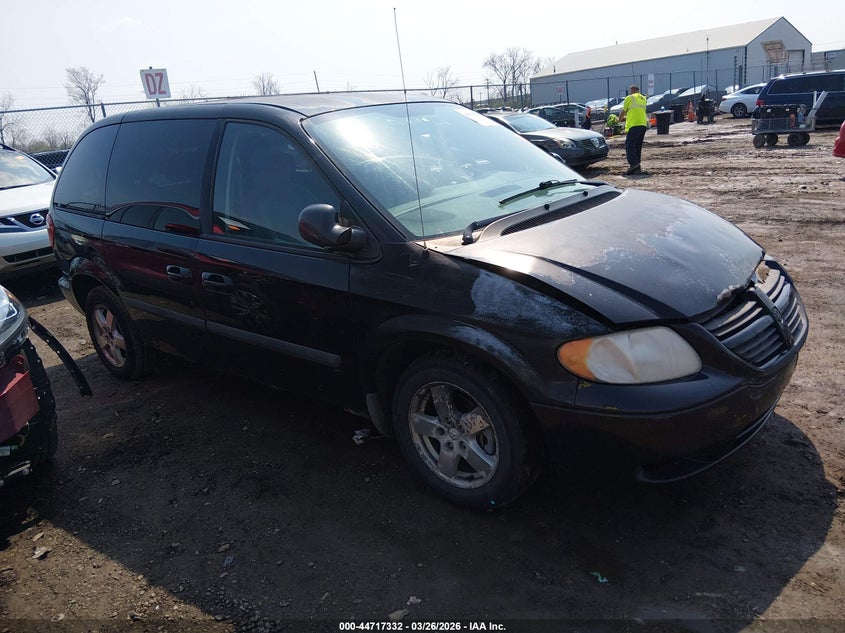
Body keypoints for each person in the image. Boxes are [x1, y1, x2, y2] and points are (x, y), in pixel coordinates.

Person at [620, 84, 648, 175]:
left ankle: (633, 164)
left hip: (634, 125)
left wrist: (618, 120)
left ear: (632, 90)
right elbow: (636, 111)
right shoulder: (643, 99)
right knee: (637, 146)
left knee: (629, 145)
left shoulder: (629, 98)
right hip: (642, 124)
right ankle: (637, 165)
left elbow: (624, 111)